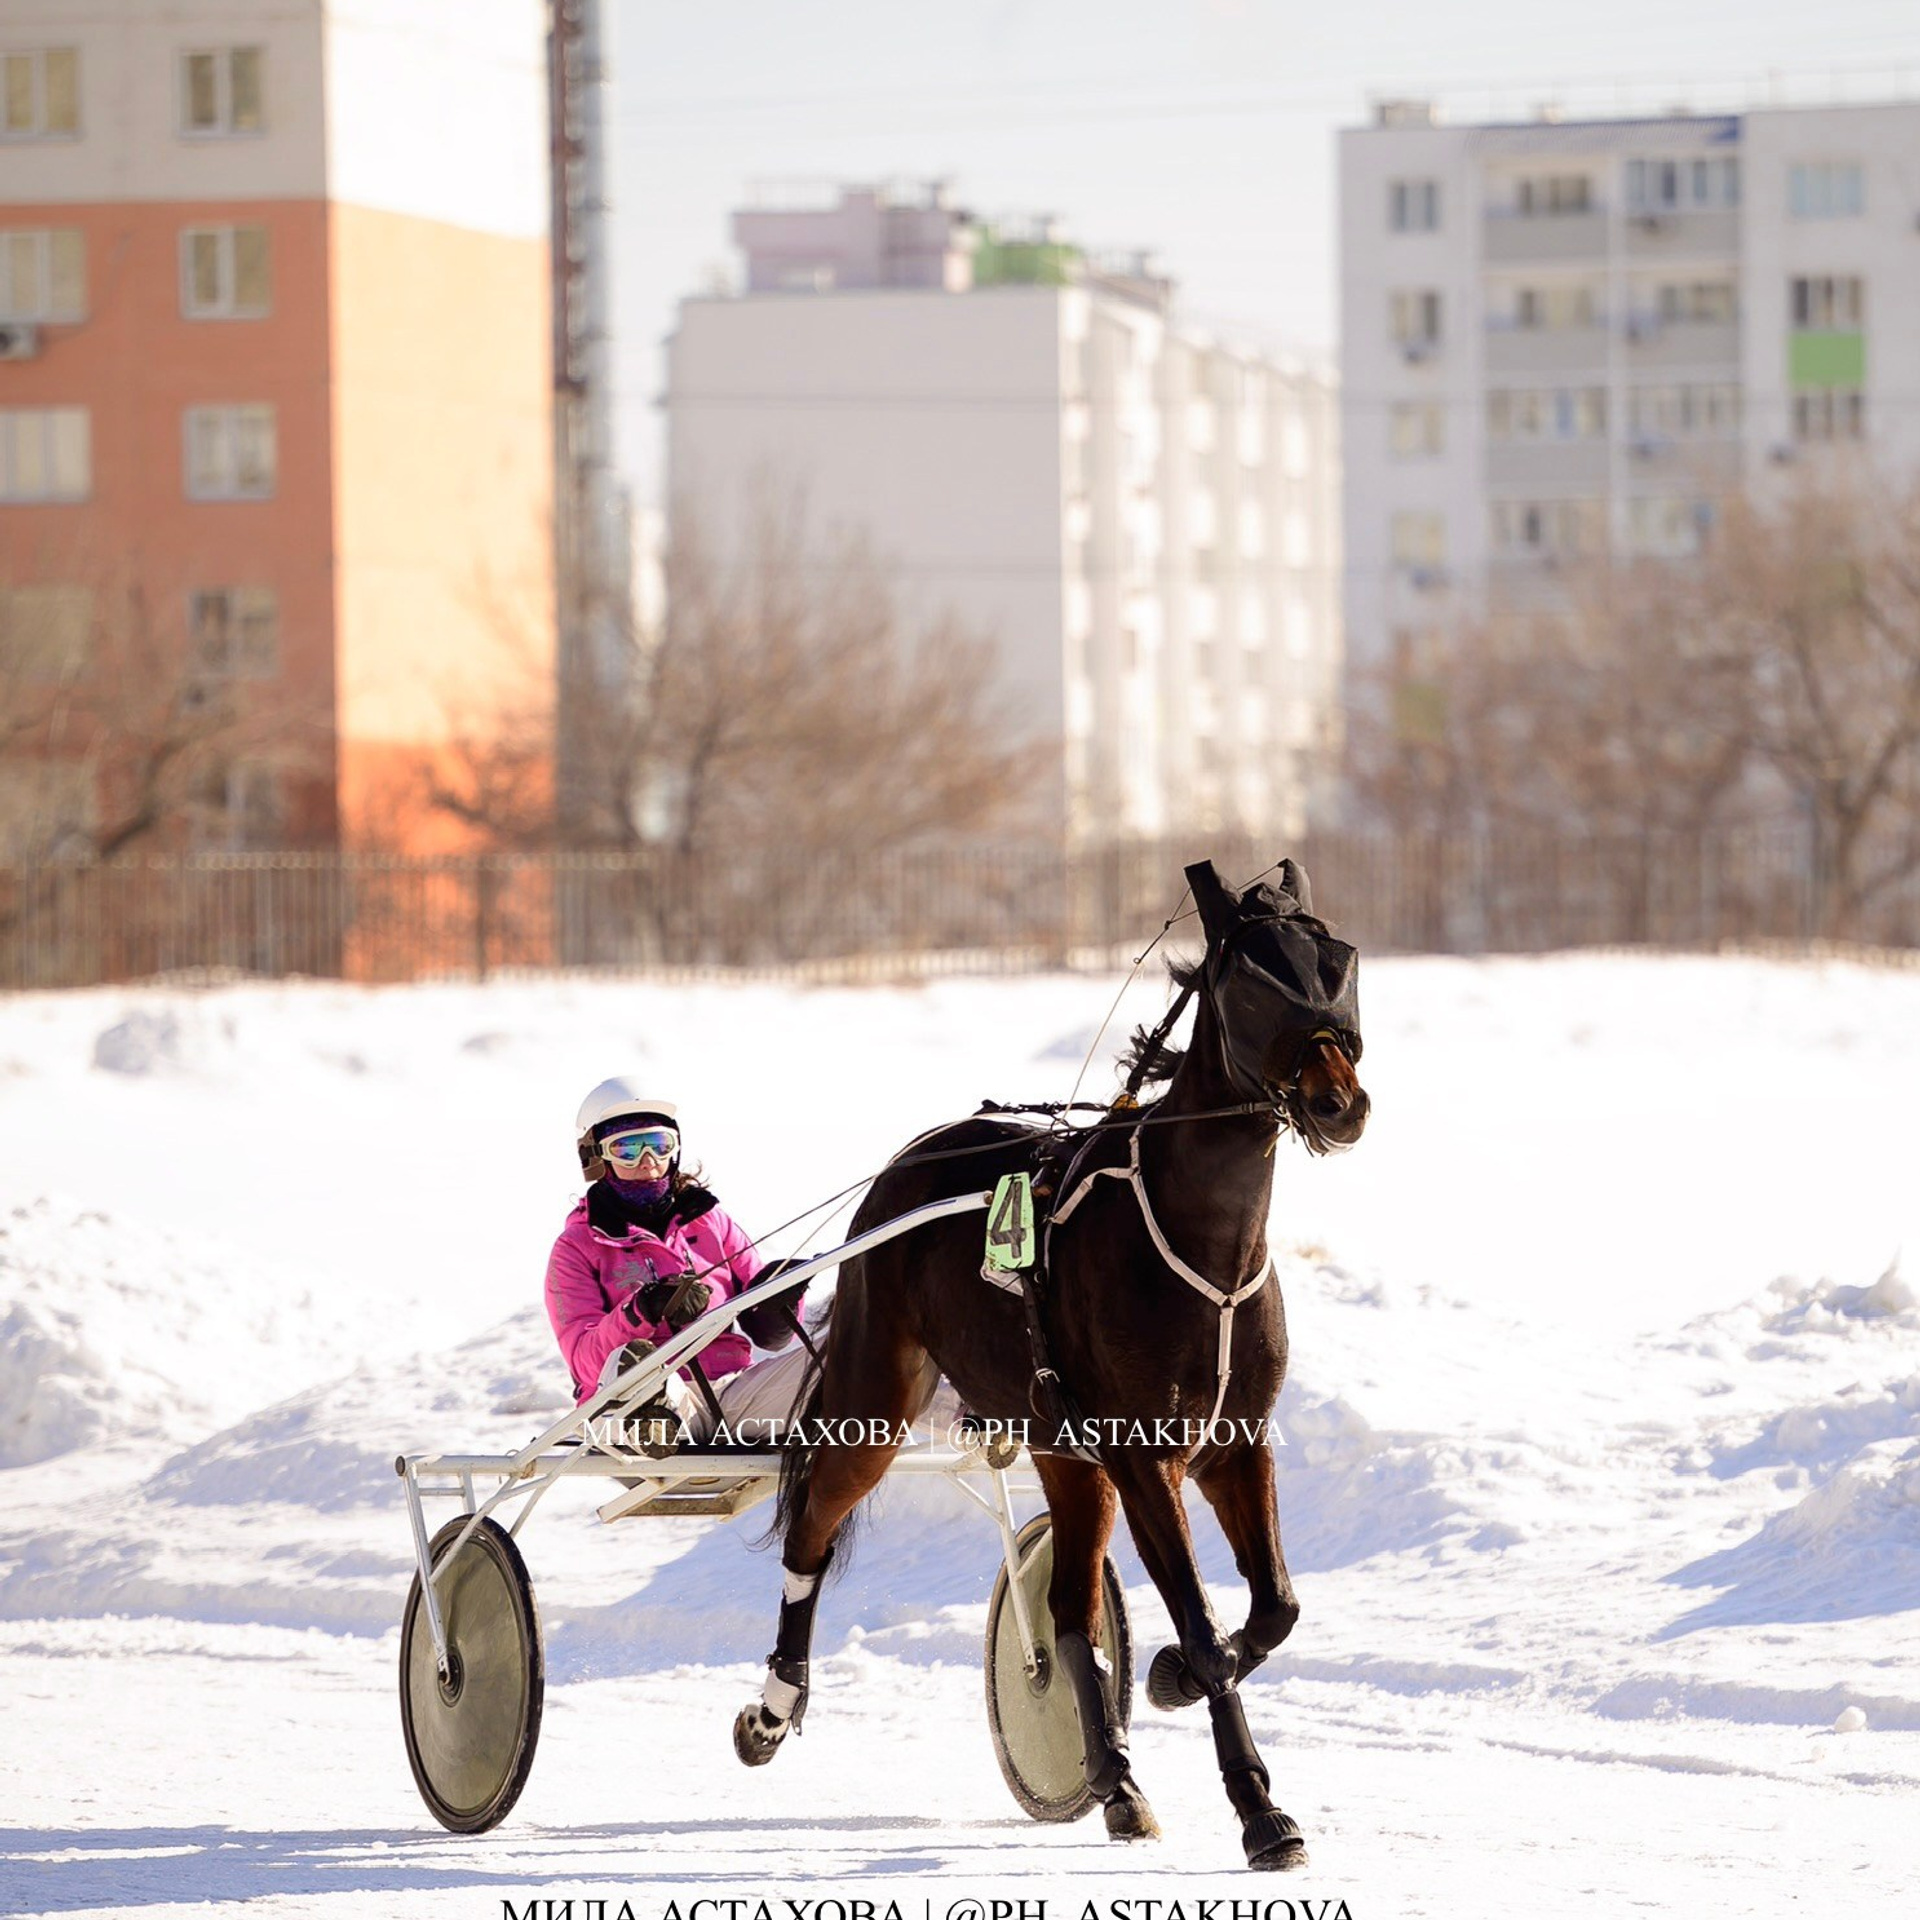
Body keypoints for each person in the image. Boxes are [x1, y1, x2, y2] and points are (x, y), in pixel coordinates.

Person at [544, 1077, 813, 1446]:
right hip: (645, 1395)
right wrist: (641, 1311)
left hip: (731, 1396)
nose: (648, 1162)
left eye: (659, 1144)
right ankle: (655, 1423)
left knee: (844, 1356)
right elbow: (585, 1363)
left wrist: (781, 1300)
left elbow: (769, 1335)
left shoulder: (710, 1221)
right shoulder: (576, 1247)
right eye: (627, 1149)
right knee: (631, 1363)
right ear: (597, 1157)